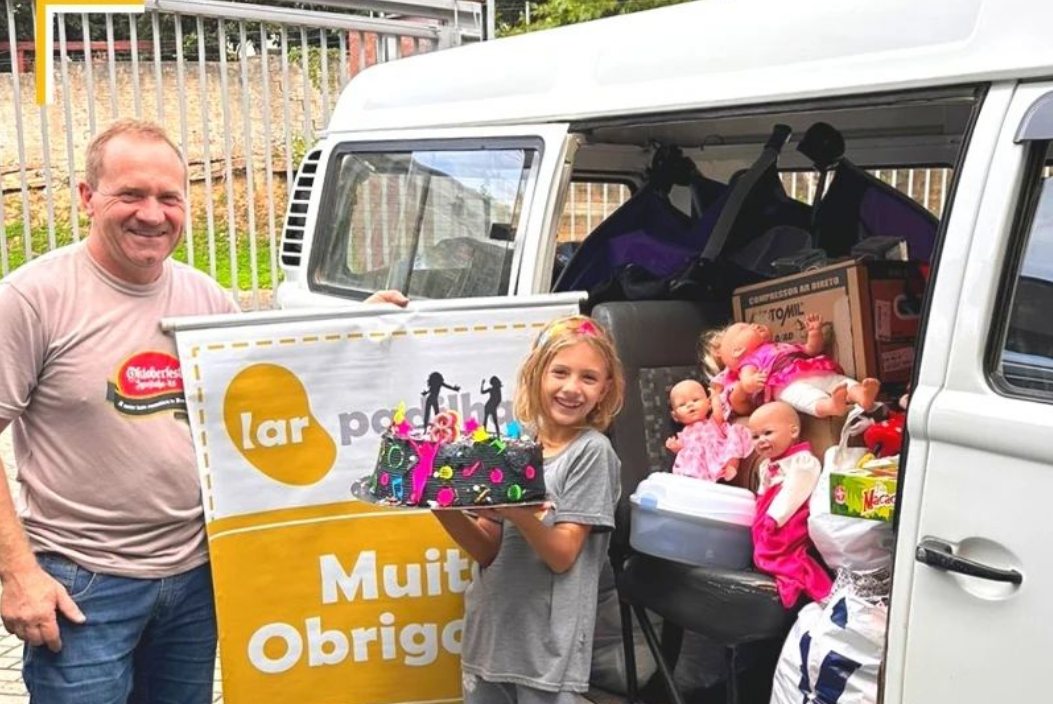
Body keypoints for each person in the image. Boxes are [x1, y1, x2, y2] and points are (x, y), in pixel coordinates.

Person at [0, 119, 407, 703]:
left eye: (169, 197)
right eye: (131, 194)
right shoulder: (31, 299)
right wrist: (19, 574)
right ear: (88, 197)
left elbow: (273, 383)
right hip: (83, 586)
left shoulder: (204, 297)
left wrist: (354, 329)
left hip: (195, 580)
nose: (152, 214)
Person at [433, 315, 625, 703]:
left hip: (547, 656)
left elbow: (562, 556)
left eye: (588, 378)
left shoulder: (591, 452)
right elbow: (487, 549)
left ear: (605, 388)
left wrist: (518, 511)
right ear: (536, 374)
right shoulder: (514, 446)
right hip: (490, 637)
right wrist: (438, 502)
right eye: (560, 372)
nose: (572, 388)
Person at [747, 401, 832, 608]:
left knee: (781, 549)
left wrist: (775, 517)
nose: (761, 440)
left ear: (793, 431)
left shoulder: (803, 461)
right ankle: (774, 571)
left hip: (790, 516)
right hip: (768, 514)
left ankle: (814, 584)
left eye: (768, 433)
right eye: (755, 437)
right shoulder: (766, 465)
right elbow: (762, 491)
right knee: (761, 547)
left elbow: (794, 491)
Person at [720, 314, 880, 418]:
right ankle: (830, 406)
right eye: (744, 328)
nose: (753, 325)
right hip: (783, 384)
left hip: (809, 369)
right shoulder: (750, 360)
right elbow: (746, 382)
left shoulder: (782, 345)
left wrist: (814, 333)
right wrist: (752, 382)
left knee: (837, 381)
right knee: (805, 396)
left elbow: (811, 350)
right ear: (738, 350)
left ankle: (862, 395)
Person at [665, 379, 753, 483]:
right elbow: (682, 450)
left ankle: (731, 466)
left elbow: (718, 412)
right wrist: (675, 447)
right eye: (682, 405)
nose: (690, 405)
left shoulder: (713, 421)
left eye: (695, 400)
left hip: (718, 452)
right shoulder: (684, 434)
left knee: (733, 441)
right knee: (688, 463)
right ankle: (696, 481)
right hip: (700, 466)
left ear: (708, 403)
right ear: (675, 416)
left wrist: (715, 398)